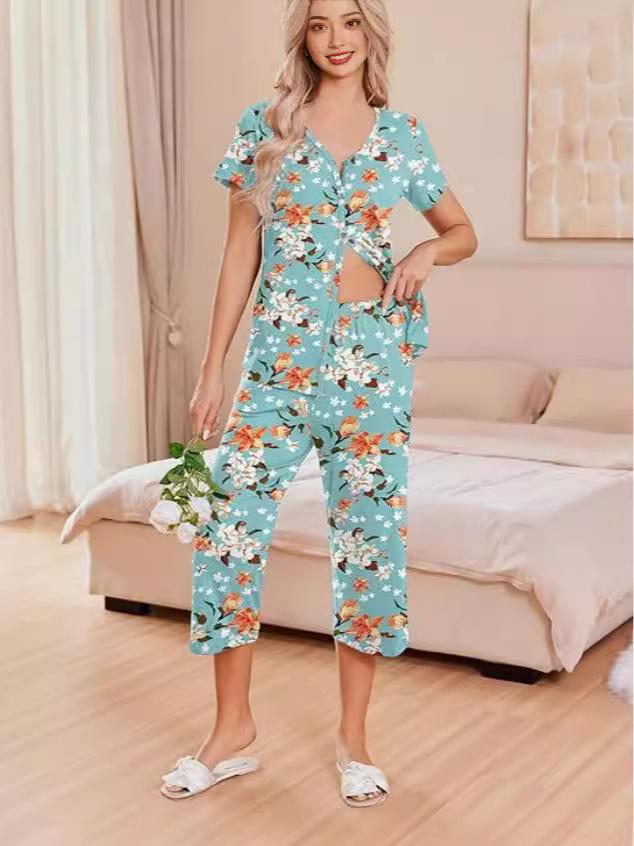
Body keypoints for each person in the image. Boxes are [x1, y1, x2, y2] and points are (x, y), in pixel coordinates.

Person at [161, 0, 477, 806]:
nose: (337, 39)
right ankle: (231, 731)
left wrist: (426, 249)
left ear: (371, 32)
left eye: (351, 22)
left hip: (372, 363)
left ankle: (354, 742)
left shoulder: (401, 135)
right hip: (277, 358)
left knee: (367, 543)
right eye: (319, 23)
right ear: (301, 36)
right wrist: (212, 368)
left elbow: (463, 230)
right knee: (228, 528)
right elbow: (240, 250)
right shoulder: (264, 126)